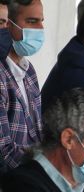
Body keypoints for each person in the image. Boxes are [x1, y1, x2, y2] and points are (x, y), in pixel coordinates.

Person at [0, 0, 43, 175]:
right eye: (32, 22)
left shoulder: (28, 70)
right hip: (13, 183)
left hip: (33, 175)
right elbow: (4, 153)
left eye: (41, 21)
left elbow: (38, 133)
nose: (40, 28)